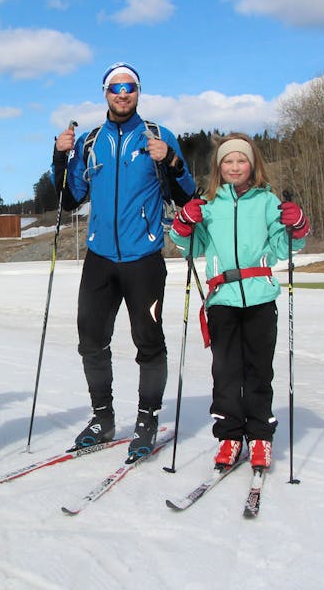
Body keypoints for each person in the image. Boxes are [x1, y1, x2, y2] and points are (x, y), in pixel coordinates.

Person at [51, 62, 196, 461]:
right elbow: (69, 198)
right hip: (99, 258)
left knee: (148, 342)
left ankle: (147, 418)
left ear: (138, 92)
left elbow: (187, 196)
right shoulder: (91, 140)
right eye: (115, 87)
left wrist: (171, 161)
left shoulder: (158, 136)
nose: (122, 93)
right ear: (105, 93)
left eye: (129, 86)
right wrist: (59, 157)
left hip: (143, 257)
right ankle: (103, 418)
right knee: (90, 340)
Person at [168, 132, 309, 471]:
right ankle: (230, 436)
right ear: (219, 167)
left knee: (259, 370)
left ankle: (260, 437)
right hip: (222, 300)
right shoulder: (210, 203)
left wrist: (297, 227)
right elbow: (191, 247)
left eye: (241, 160)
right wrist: (184, 224)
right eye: (228, 161)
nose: (234, 166)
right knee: (227, 372)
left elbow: (282, 247)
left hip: (260, 296)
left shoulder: (266, 201)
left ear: (252, 164)